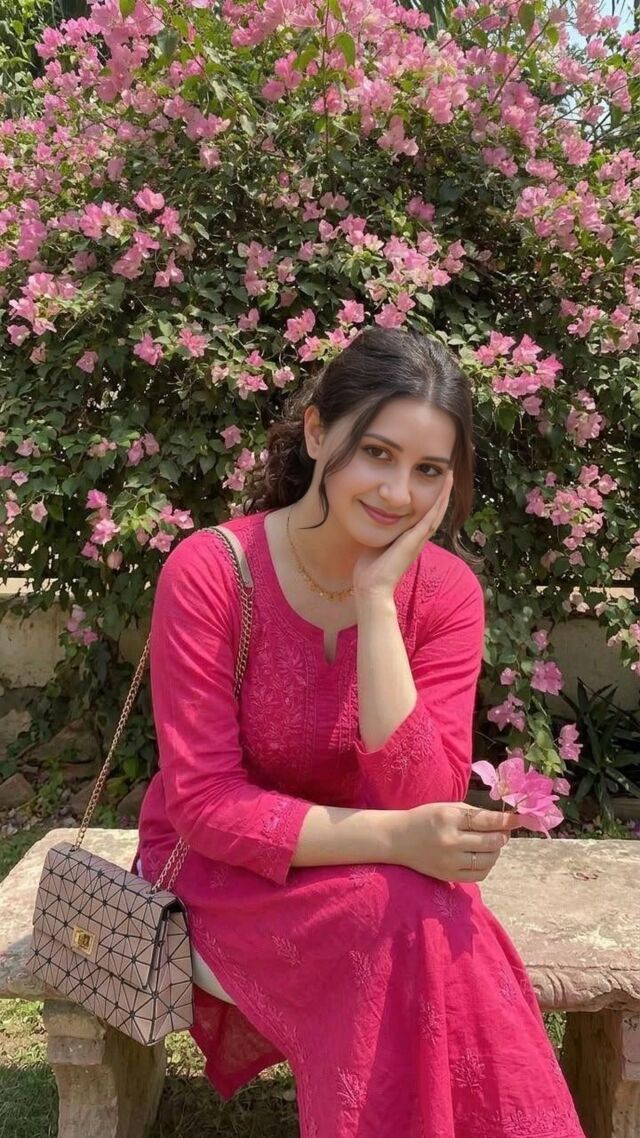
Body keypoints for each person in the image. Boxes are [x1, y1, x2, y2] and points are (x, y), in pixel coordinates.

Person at [133, 327, 585, 1137]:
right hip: (221, 874)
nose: (398, 494)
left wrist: (377, 602)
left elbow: (422, 795)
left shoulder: (445, 595)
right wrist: (397, 840)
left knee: (413, 913)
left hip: (382, 880)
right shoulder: (211, 573)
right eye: (377, 454)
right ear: (317, 432)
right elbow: (203, 805)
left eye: (429, 470)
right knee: (421, 916)